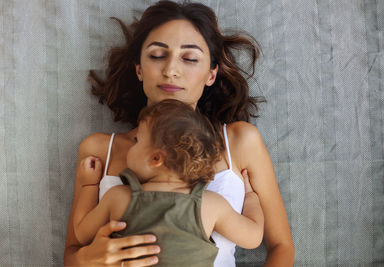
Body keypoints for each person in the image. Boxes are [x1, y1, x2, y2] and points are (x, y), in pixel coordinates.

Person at [64, 1, 295, 266]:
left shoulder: (240, 141)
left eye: (190, 58)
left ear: (211, 73)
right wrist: (86, 260)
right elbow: (72, 252)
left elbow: (281, 247)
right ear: (139, 68)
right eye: (157, 55)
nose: (171, 70)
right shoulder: (98, 149)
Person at [73, 99, 264, 267]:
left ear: (156, 158)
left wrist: (89, 186)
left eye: (137, 141)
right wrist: (251, 197)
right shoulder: (211, 204)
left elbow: (82, 233)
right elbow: (253, 237)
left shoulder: (118, 197)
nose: (132, 145)